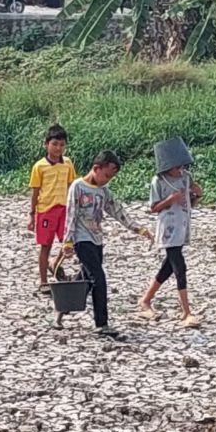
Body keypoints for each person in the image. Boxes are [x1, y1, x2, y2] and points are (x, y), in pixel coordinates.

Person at [61, 151, 153, 337]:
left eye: (111, 177)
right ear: (96, 168)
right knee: (99, 279)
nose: (107, 180)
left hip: (97, 240)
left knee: (85, 281)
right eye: (106, 175)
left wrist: (138, 229)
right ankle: (101, 323)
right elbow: (70, 215)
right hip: (81, 239)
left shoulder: (103, 192)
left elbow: (117, 211)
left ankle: (61, 308)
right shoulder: (77, 187)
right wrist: (68, 241)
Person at [136, 163, 203, 327]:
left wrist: (197, 194)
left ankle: (145, 300)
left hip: (182, 226)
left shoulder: (186, 177)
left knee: (169, 266)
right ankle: (186, 311)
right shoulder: (158, 180)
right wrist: (170, 199)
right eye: (176, 167)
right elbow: (154, 208)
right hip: (168, 229)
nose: (179, 170)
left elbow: (190, 202)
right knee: (180, 266)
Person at [28, 124, 77, 294]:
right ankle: (43, 281)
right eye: (55, 144)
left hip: (64, 209)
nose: (58, 148)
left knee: (70, 242)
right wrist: (31, 215)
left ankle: (55, 263)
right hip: (46, 210)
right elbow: (35, 192)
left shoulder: (68, 163)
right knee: (45, 246)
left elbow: (72, 186)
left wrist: (76, 208)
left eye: (62, 145)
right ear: (46, 144)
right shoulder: (39, 166)